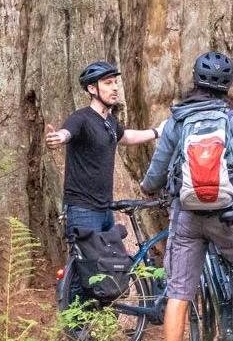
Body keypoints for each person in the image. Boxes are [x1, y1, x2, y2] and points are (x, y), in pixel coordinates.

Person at [141, 51, 233, 341]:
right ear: (229, 85)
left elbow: (156, 172)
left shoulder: (177, 121)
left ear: (194, 81)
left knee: (179, 292)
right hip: (227, 215)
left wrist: (148, 187)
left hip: (186, 217)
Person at [45, 60, 158, 239]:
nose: (114, 88)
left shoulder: (110, 122)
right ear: (92, 89)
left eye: (115, 82)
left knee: (108, 265)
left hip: (106, 210)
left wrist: (157, 132)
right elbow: (67, 133)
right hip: (83, 210)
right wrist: (58, 138)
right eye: (107, 83)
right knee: (89, 266)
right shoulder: (80, 118)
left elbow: (126, 137)